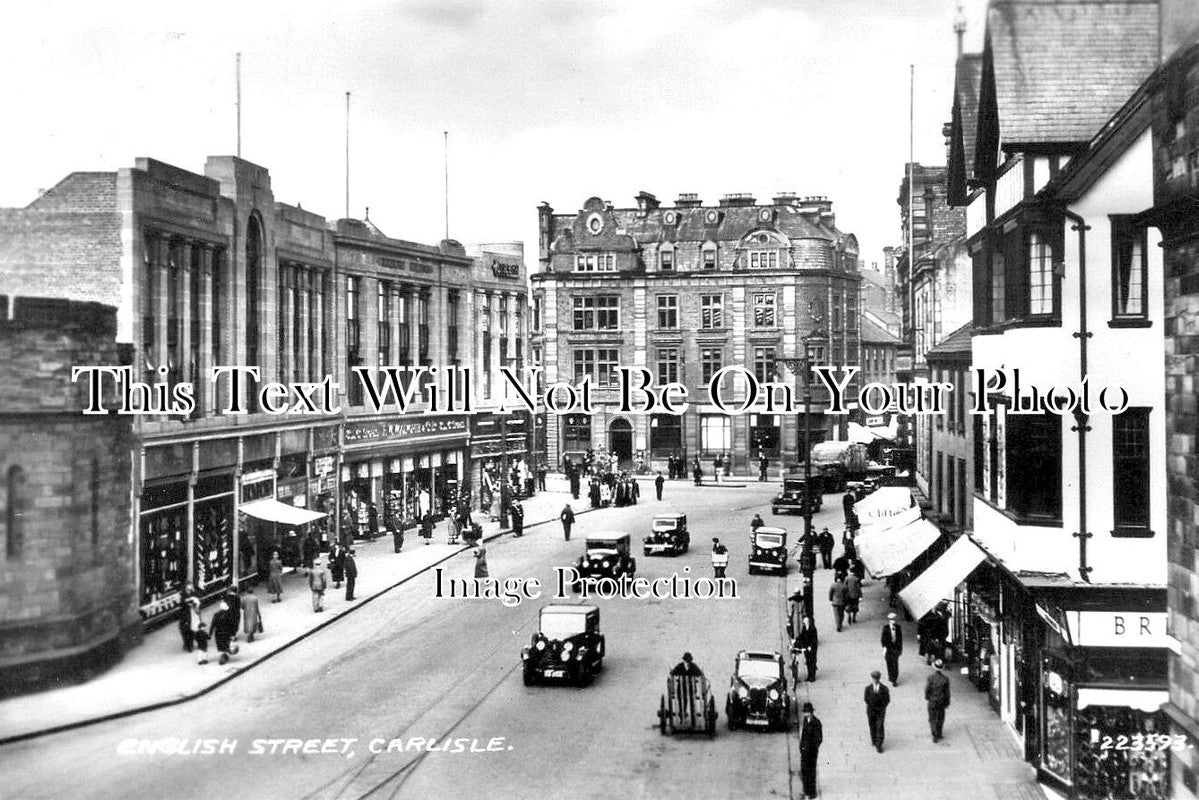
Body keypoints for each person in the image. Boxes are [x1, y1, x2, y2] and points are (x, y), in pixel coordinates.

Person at [797, 702, 823, 800]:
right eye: (804, 712)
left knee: (811, 772)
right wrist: (801, 747)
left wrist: (813, 748)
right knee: (804, 771)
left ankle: (812, 793)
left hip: (812, 752)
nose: (805, 714)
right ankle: (806, 791)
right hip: (804, 751)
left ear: (811, 712)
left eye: (806, 712)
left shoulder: (816, 722)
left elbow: (819, 739)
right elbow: (803, 734)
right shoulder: (805, 720)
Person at [864, 670, 891, 752]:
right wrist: (871, 705)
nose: (875, 680)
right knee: (872, 725)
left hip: (880, 711)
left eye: (876, 678)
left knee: (880, 727)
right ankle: (874, 740)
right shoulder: (868, 688)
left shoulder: (884, 688)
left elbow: (887, 699)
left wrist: (882, 707)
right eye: (874, 678)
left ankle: (879, 745)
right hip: (871, 710)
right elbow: (866, 699)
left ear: (879, 679)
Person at [925, 658, 951, 742]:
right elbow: (947, 692)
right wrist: (947, 702)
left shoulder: (930, 678)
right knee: (940, 718)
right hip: (941, 701)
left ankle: (934, 733)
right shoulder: (945, 679)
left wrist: (927, 697)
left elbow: (927, 689)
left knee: (932, 718)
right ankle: (939, 733)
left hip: (932, 701)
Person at [211, 599, 239, 665]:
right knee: (226, 644)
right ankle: (223, 656)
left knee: (220, 645)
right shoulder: (228, 615)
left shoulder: (216, 615)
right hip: (226, 633)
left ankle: (223, 655)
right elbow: (232, 625)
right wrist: (233, 634)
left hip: (218, 633)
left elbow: (213, 625)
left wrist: (210, 634)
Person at [793, 616, 819, 682]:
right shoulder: (804, 628)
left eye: (807, 621)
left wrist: (811, 646)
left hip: (812, 648)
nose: (806, 622)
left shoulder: (813, 628)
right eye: (805, 621)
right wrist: (796, 640)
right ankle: (809, 676)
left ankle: (812, 677)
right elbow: (802, 636)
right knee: (808, 662)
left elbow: (814, 639)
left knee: (812, 662)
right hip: (806, 647)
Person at [881, 612, 903, 686]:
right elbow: (883, 639)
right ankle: (891, 676)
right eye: (893, 620)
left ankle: (894, 679)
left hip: (896, 649)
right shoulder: (886, 628)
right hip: (888, 649)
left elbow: (900, 639)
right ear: (889, 620)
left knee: (895, 664)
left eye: (895, 620)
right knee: (889, 664)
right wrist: (884, 648)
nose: (894, 621)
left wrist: (900, 650)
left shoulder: (898, 627)